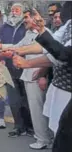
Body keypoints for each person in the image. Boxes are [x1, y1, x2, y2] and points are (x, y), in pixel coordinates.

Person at [12, 8, 71, 136]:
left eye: (27, 17)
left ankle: (43, 139)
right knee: (58, 128)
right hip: (59, 86)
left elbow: (63, 55)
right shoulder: (68, 25)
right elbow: (51, 47)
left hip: (67, 90)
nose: (24, 20)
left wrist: (28, 63)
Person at [0, 2, 34, 137]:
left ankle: (31, 126)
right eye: (12, 10)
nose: (14, 12)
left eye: (17, 10)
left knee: (28, 98)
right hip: (9, 68)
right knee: (13, 99)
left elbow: (30, 46)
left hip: (26, 67)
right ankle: (19, 126)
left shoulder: (28, 27)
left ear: (23, 13)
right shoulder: (4, 27)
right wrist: (0, 55)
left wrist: (15, 53)